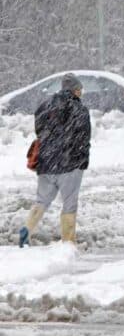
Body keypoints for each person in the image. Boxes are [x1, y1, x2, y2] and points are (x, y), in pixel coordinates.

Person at [19, 73, 91, 247]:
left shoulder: (45, 106)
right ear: (74, 90)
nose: (81, 93)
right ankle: (68, 242)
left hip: (46, 162)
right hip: (70, 164)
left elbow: (39, 131)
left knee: (42, 200)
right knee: (69, 203)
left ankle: (27, 229)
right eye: (80, 89)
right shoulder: (79, 109)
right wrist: (82, 159)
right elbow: (83, 137)